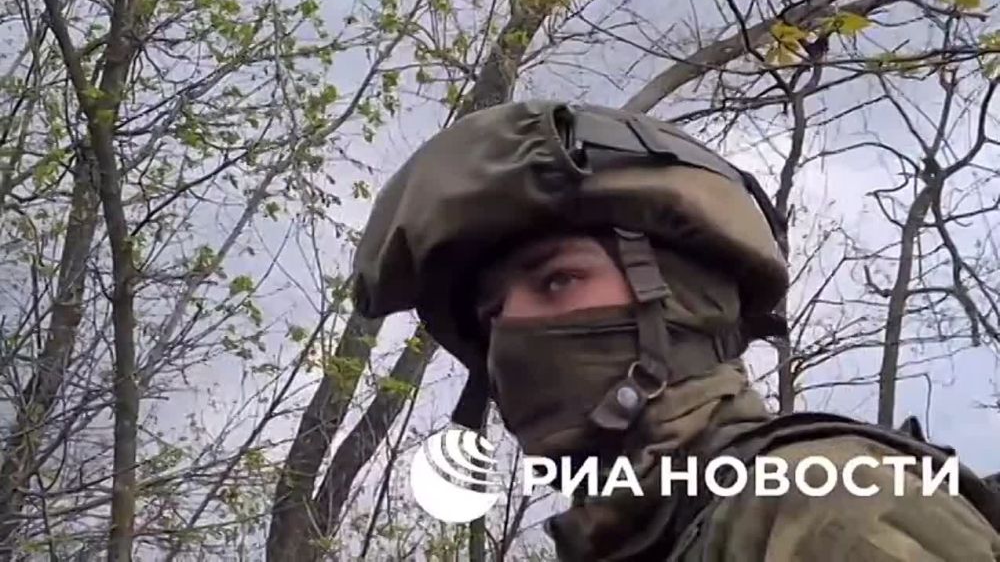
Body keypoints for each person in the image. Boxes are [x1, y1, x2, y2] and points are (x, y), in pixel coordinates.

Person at [351, 101, 1000, 560]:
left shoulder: (819, 501)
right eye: (492, 315)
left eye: (557, 280)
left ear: (683, 298)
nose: (511, 331)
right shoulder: (649, 529)